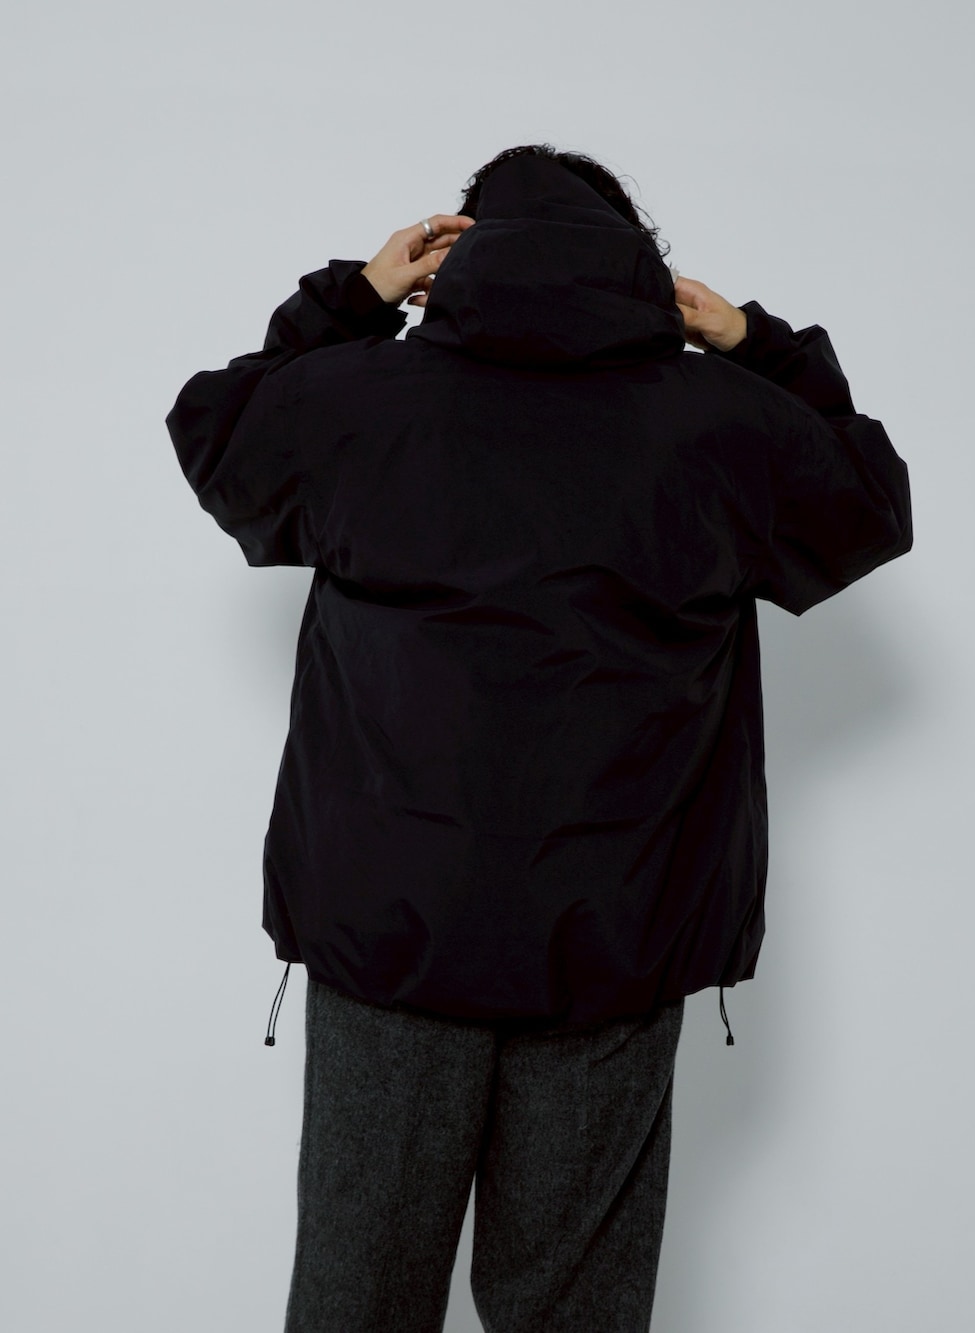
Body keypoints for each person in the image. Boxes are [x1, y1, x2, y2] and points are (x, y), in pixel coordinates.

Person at [165, 143, 912, 1332]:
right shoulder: (718, 423)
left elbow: (216, 433)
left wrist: (348, 300)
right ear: (638, 264)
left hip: (391, 929)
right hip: (618, 935)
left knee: (358, 1297)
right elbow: (867, 504)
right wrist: (758, 347)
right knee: (574, 1310)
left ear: (459, 251)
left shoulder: (360, 400)